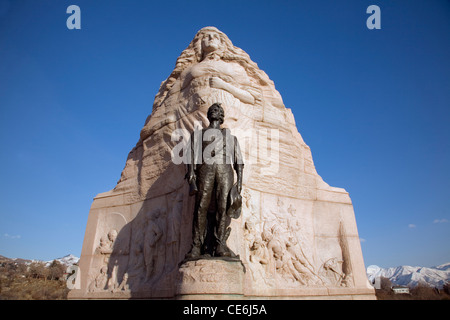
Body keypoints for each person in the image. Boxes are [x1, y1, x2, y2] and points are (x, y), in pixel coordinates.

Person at [185, 103, 244, 259]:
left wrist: (239, 183)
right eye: (212, 110)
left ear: (222, 116)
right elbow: (189, 156)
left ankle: (220, 244)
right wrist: (191, 174)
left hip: (225, 171)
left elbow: (239, 160)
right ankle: (196, 246)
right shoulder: (198, 134)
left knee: (222, 207)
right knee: (201, 207)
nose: (214, 111)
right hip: (206, 169)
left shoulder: (231, 137)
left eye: (217, 110)